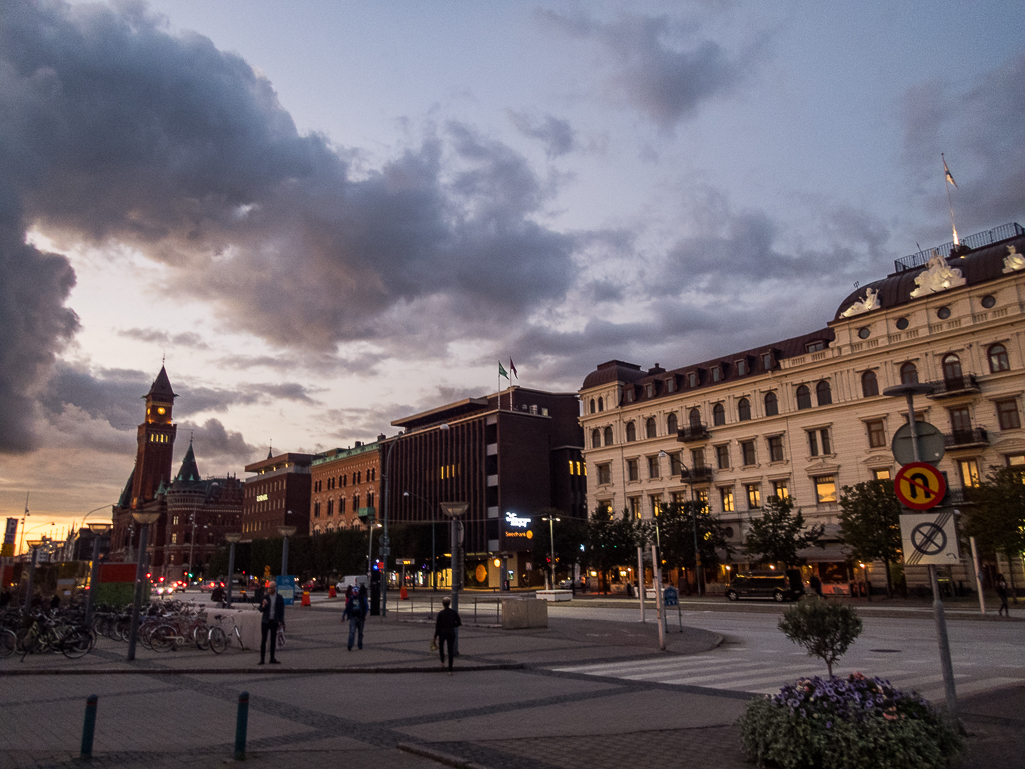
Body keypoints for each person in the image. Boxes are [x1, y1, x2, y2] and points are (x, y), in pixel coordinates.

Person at [434, 597, 461, 674]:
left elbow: (437, 626)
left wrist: (435, 636)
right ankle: (450, 669)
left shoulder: (440, 613)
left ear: (443, 604)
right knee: (450, 650)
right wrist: (452, 624)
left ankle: (442, 662)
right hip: (451, 632)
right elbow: (459, 623)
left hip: (442, 632)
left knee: (441, 648)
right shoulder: (453, 612)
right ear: (449, 604)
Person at [259, 581, 285, 664]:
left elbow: (281, 610)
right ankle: (262, 659)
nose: (269, 589)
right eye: (269, 588)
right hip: (265, 621)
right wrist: (263, 605)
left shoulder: (279, 598)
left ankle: (272, 658)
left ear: (275, 588)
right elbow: (260, 609)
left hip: (274, 621)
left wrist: (280, 621)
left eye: (271, 588)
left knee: (273, 640)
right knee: (264, 640)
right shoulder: (265, 597)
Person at [343, 584, 368, 650]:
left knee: (360, 632)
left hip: (360, 617)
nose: (355, 593)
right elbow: (347, 608)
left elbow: (366, 607)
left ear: (359, 591)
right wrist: (343, 615)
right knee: (352, 632)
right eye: (354, 591)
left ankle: (360, 644)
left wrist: (364, 615)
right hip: (353, 617)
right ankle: (350, 645)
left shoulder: (362, 598)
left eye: (356, 591)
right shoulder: (351, 599)